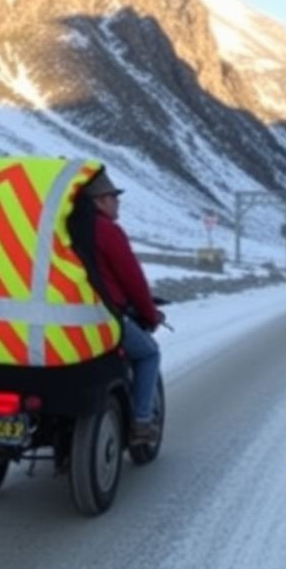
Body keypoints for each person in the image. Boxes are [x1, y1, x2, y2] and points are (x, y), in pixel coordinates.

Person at [86, 169, 165, 445]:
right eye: (112, 197)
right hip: (102, 318)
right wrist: (150, 314)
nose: (117, 202)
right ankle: (142, 422)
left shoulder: (60, 231)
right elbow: (132, 280)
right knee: (149, 354)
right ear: (99, 201)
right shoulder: (106, 231)